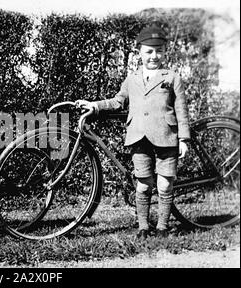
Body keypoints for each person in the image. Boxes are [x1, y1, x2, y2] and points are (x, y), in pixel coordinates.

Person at [76, 25, 190, 239]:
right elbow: (118, 101)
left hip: (167, 136)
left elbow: (181, 110)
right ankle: (143, 227)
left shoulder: (172, 77)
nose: (154, 56)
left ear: (165, 52)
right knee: (143, 185)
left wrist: (183, 138)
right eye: (149, 51)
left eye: (159, 51)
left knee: (165, 185)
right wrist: (96, 105)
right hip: (138, 136)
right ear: (139, 52)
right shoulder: (132, 78)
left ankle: (163, 228)